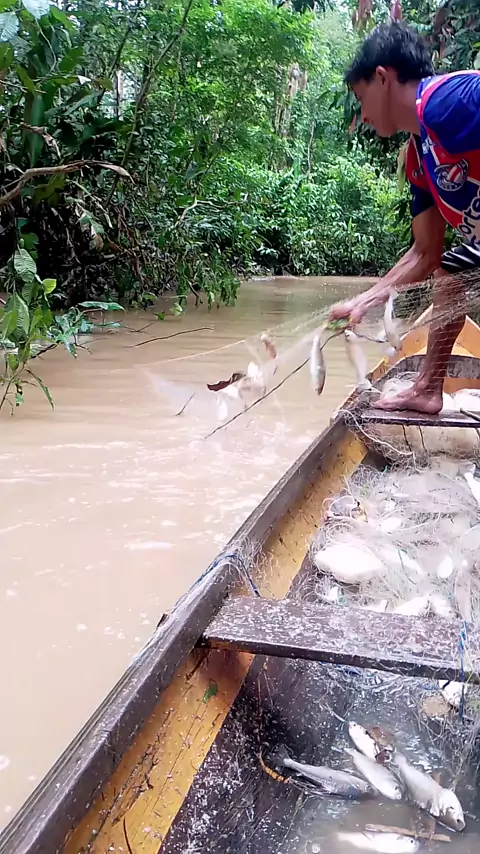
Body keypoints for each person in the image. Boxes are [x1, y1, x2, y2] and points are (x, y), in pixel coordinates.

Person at [329, 21, 480, 414]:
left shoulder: (447, 101)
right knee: (451, 273)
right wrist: (365, 300)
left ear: (382, 78)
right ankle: (427, 389)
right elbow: (424, 253)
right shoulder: (419, 156)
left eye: (360, 97)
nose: (361, 114)